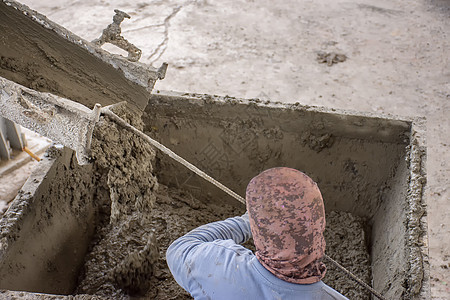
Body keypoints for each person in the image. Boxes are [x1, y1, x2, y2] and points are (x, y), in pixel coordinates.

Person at [166, 167, 348, 299]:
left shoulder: (218, 266)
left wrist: (246, 222)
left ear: (257, 230)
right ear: (320, 225)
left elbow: (181, 247)